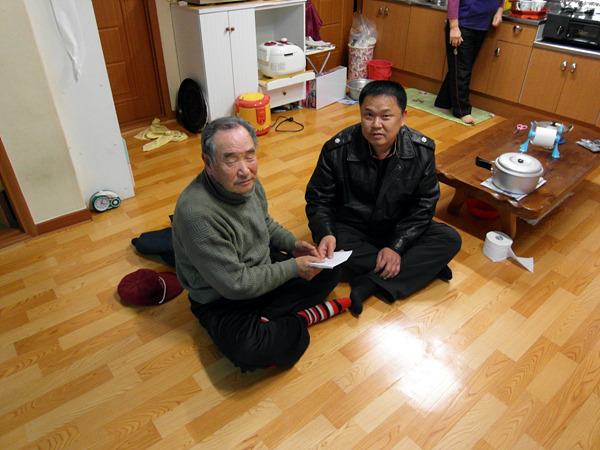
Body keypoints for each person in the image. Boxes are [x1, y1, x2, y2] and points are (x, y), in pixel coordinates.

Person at [172, 116, 350, 372]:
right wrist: (294, 268)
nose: (245, 169)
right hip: (222, 296)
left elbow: (264, 222)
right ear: (208, 163)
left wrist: (293, 245)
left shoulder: (245, 182)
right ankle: (302, 317)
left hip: (262, 267)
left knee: (331, 271)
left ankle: (269, 318)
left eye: (250, 156)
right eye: (231, 160)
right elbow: (235, 284)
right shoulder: (196, 215)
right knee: (250, 349)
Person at [305, 80, 462, 315]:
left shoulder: (421, 150)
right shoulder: (337, 149)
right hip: (353, 227)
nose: (376, 125)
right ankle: (421, 267)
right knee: (335, 248)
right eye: (368, 115)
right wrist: (326, 232)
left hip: (397, 226)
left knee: (450, 238)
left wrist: (397, 246)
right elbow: (319, 200)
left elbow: (424, 205)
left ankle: (370, 282)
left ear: (403, 117)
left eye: (386, 116)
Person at [434, 0, 504, 124]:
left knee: (460, 67)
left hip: (482, 26)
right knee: (462, 70)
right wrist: (454, 27)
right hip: (462, 26)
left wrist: (499, 10)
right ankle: (462, 111)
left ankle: (442, 102)